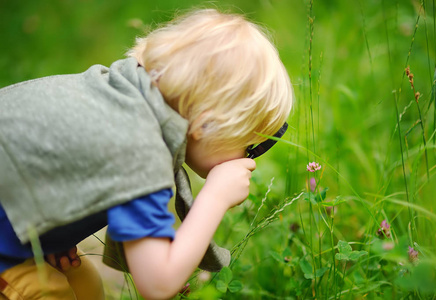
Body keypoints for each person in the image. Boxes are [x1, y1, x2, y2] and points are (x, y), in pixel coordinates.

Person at [0, 8, 292, 299]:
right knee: (46, 291)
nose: (249, 157)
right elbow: (157, 285)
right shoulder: (138, 149)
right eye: (250, 146)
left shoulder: (118, 97)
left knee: (84, 284)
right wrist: (215, 196)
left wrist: (51, 227)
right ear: (207, 123)